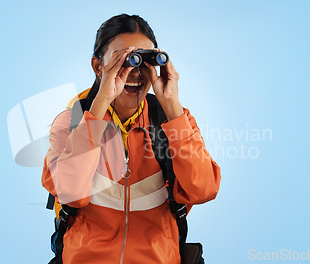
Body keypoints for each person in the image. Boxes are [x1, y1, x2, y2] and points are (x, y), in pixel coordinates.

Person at [42, 14, 221, 264]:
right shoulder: (72, 122)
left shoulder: (172, 121)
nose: (135, 73)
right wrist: (99, 106)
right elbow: (70, 193)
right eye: (123, 61)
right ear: (97, 66)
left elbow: (202, 189)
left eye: (144, 60)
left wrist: (171, 106)